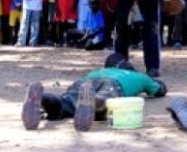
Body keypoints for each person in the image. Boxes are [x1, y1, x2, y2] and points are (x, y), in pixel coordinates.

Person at [21, 53, 167, 132]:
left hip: (85, 82)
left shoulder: (97, 71)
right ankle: (94, 101)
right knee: (104, 98)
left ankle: (42, 99)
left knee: (65, 102)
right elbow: (160, 89)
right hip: (113, 85)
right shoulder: (138, 76)